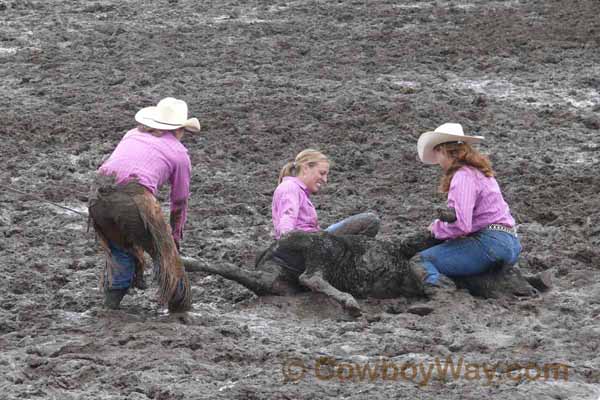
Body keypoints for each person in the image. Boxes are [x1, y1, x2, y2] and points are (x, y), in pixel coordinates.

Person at [88, 97, 201, 312]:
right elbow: (179, 201)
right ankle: (180, 309)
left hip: (97, 195)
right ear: (179, 129)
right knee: (165, 255)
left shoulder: (133, 133)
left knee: (120, 250)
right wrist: (174, 237)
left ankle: (110, 306)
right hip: (133, 200)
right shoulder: (179, 154)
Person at [409, 122, 522, 296]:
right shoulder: (481, 172)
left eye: (437, 153)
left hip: (490, 243)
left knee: (420, 261)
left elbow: (462, 225)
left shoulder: (462, 176)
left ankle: (442, 294)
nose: (438, 160)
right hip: (511, 243)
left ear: (443, 150)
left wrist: (436, 228)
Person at [270, 148, 380, 271]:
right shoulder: (290, 188)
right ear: (306, 168)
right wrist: (290, 250)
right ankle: (349, 270)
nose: (325, 180)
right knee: (369, 221)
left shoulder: (295, 190)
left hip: (312, 242)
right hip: (311, 246)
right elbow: (287, 222)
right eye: (322, 173)